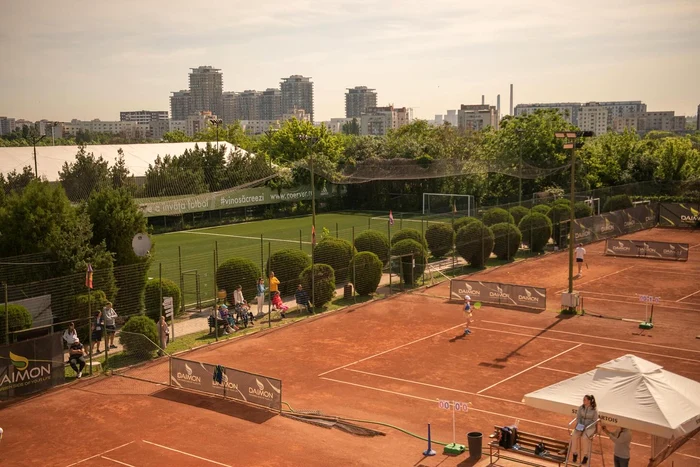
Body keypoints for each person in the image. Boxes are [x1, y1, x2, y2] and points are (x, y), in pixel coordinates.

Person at [570, 395, 599, 465]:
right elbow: (578, 417)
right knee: (574, 435)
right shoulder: (580, 408)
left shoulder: (594, 410)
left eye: (585, 400)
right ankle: (574, 453)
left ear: (589, 401)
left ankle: (585, 456)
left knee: (584, 438)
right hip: (581, 425)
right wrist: (580, 426)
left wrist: (586, 426)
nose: (583, 401)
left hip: (590, 427)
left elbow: (595, 421)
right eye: (583, 399)